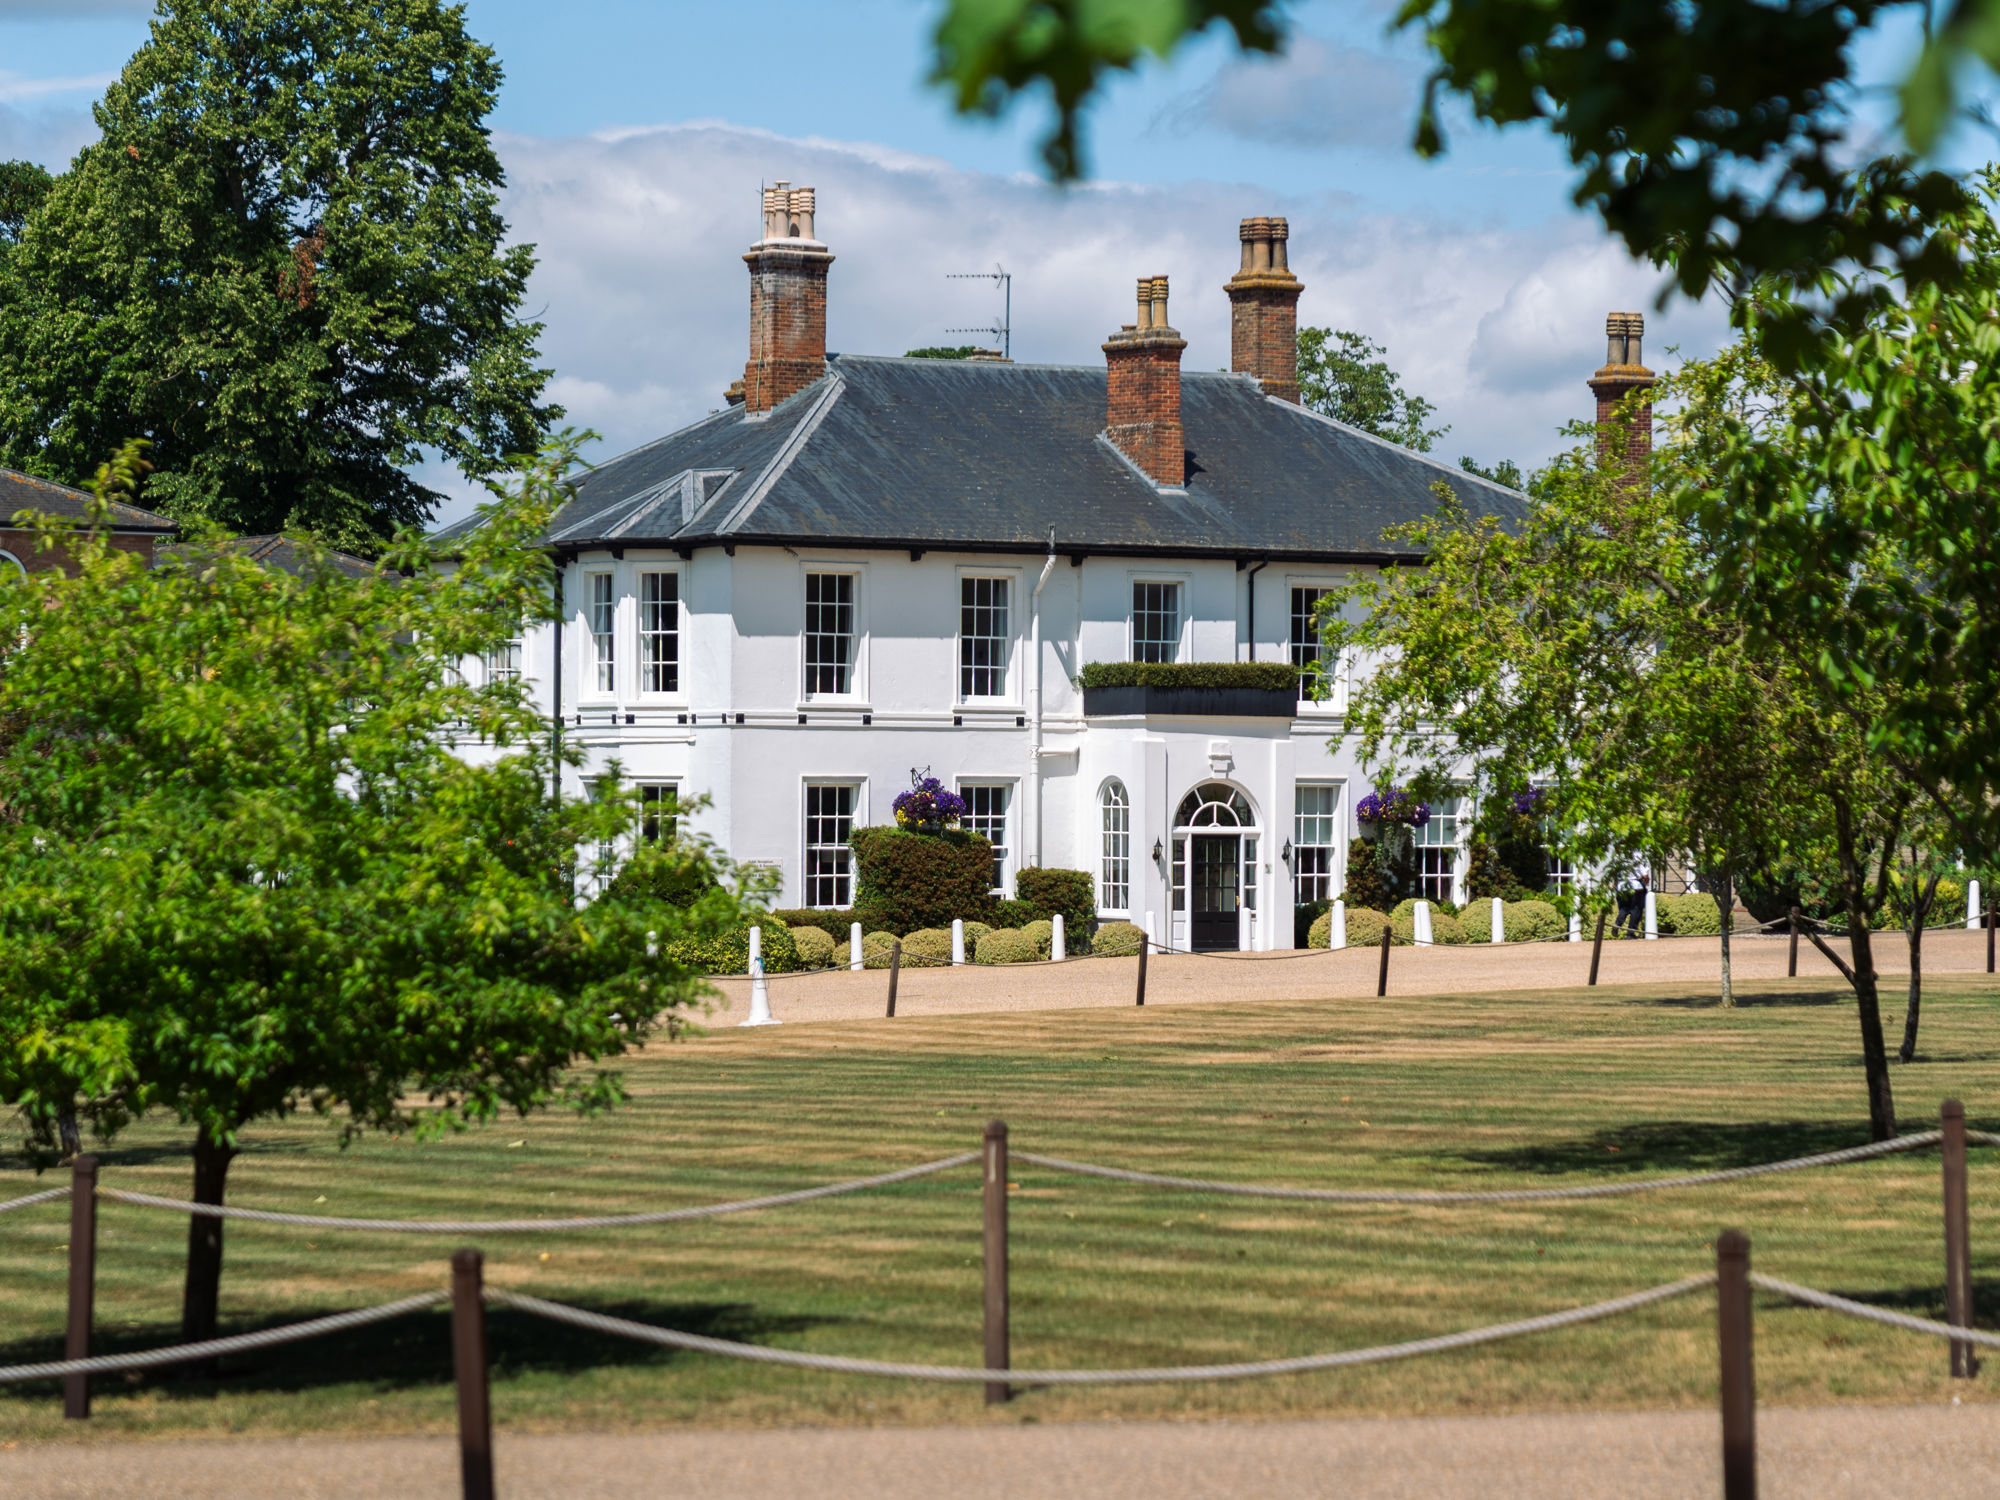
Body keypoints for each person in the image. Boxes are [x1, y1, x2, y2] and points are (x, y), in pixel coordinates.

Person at [1614, 861, 1650, 937]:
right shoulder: (1637, 859)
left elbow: (1615, 873)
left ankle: (1617, 924)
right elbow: (1645, 875)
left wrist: (1615, 884)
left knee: (1624, 909)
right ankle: (1630, 933)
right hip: (1635, 886)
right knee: (1636, 910)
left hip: (1622, 886)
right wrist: (1645, 883)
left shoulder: (1620, 859)